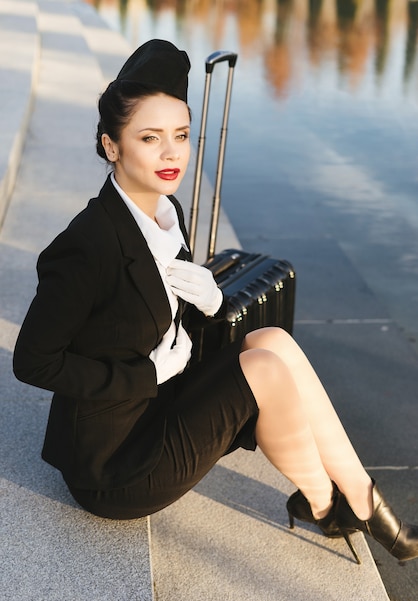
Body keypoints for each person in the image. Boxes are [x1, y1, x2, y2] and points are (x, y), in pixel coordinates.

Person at [13, 39, 418, 566]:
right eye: (150, 138)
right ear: (112, 146)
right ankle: (326, 505)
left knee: (273, 340)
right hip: (115, 462)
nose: (172, 153)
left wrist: (209, 296)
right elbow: (33, 361)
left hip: (160, 404)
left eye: (180, 135)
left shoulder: (165, 211)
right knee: (265, 372)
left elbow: (156, 314)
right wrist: (145, 375)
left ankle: (363, 500)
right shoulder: (85, 246)